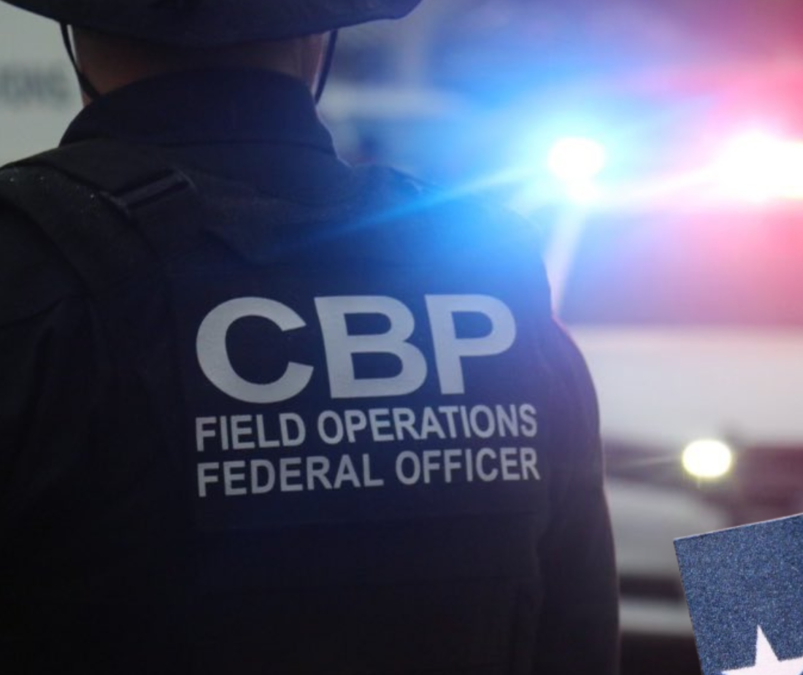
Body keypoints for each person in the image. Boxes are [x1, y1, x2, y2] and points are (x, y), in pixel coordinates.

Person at [0, 1, 619, 673]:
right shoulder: (486, 274)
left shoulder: (28, 266)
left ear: (77, 36)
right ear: (319, 36)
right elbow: (582, 636)